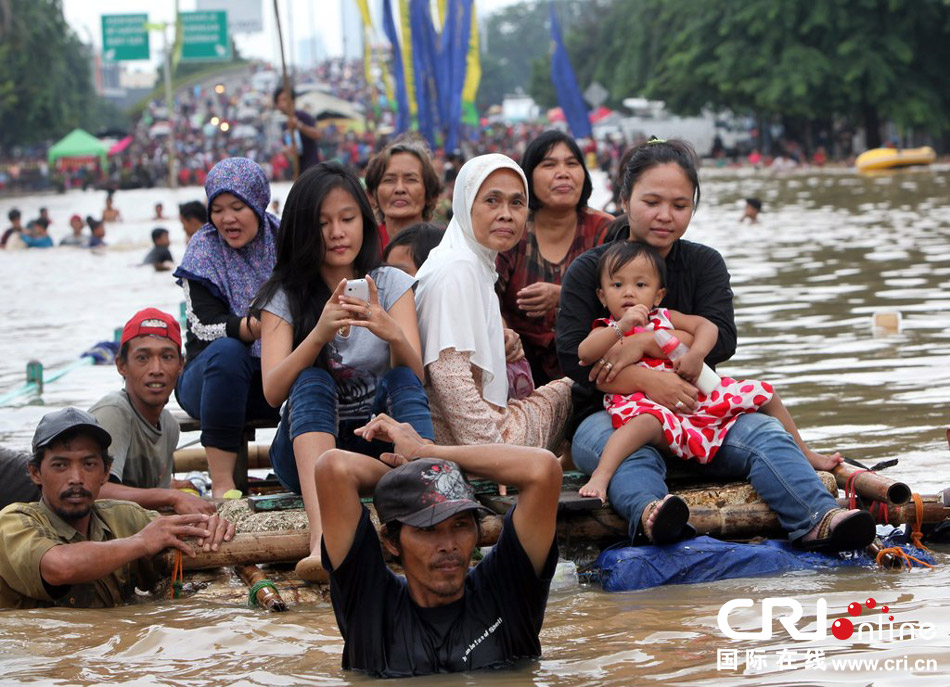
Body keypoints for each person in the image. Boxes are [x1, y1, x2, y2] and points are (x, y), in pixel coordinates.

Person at [556, 138, 875, 552]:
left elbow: (722, 337)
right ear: (624, 198)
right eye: (651, 201)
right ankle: (655, 515)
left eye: (680, 205)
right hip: (607, 414)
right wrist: (650, 382)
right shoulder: (591, 269)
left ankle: (821, 519)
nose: (665, 216)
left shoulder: (704, 263)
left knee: (765, 432)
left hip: (698, 411)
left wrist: (646, 342)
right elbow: (573, 358)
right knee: (631, 458)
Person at [575, 242, 850, 532]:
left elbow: (709, 328)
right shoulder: (606, 329)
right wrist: (622, 326)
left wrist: (695, 355)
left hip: (692, 406)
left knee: (763, 393)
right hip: (643, 408)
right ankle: (610, 483)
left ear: (658, 295)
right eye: (617, 285)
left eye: (640, 285)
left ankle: (807, 464)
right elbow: (583, 353)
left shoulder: (665, 318)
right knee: (642, 426)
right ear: (602, 296)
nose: (629, 292)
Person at [252, 161, 433, 582]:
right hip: (307, 452)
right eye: (323, 223)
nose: (337, 232)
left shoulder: (391, 284)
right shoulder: (284, 295)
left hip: (378, 444)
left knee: (401, 378)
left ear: (364, 222)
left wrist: (392, 334)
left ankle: (427, 503)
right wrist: (317, 335)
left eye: (347, 219)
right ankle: (322, 542)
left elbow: (416, 377)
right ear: (301, 230)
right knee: (310, 379)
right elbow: (272, 392)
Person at [316, 413, 560, 677]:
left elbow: (542, 469)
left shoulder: (507, 592)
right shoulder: (371, 604)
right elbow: (334, 468)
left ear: (476, 531)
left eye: (460, 525)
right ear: (392, 541)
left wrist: (425, 453)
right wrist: (416, 477)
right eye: (427, 529)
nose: (448, 545)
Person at [0, 408, 234, 609]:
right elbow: (60, 567)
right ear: (35, 473)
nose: (76, 478)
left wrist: (208, 529)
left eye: (89, 464)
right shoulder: (14, 522)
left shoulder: (123, 517)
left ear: (105, 472)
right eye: (60, 465)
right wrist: (141, 542)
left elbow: (173, 534)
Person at [415, 154, 572, 451]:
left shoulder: (470, 264)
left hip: (477, 436)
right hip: (477, 443)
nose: (506, 214)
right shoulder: (458, 267)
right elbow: (449, 376)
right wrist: (494, 455)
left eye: (516, 203)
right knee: (579, 388)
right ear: (465, 205)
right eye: (491, 201)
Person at [173, 158, 282, 499]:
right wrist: (254, 327)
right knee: (229, 350)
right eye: (217, 209)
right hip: (209, 383)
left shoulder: (285, 240)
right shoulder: (203, 249)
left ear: (257, 202)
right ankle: (222, 486)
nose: (227, 219)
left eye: (237, 207)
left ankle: (297, 472)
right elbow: (203, 326)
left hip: (272, 380)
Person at [496, 130, 614, 385]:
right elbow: (486, 295)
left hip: (592, 368)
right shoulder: (511, 229)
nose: (563, 172)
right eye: (549, 164)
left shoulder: (606, 230)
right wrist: (502, 333)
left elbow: (630, 295)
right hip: (518, 367)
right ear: (527, 177)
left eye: (572, 163)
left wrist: (564, 295)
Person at [89, 308, 216, 516]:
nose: (156, 369)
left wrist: (174, 493)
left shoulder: (169, 426)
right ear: (122, 365)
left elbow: (155, 497)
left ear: (181, 365)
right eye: (142, 358)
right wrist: (172, 496)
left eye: (167, 357)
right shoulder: (114, 412)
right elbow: (96, 492)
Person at [364, 134, 441, 246]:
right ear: (372, 196)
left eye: (411, 180)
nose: (399, 189)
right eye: (389, 180)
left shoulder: (445, 248)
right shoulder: (362, 248)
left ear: (430, 195)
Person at [273, 85, 320, 172]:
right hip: (297, 171)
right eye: (280, 101)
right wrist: (286, 150)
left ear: (292, 101)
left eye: (285, 100)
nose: (283, 104)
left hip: (311, 168)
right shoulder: (283, 123)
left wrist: (298, 125)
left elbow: (317, 135)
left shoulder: (303, 116)